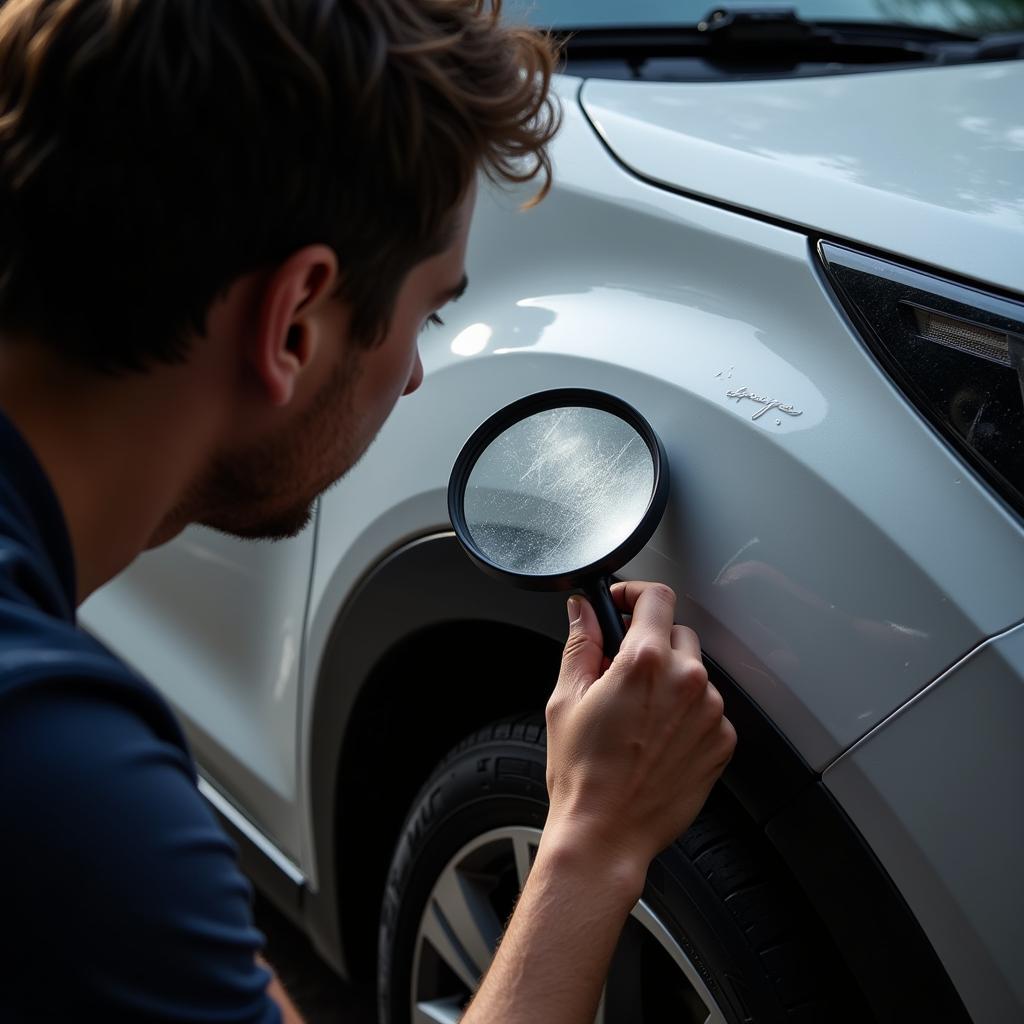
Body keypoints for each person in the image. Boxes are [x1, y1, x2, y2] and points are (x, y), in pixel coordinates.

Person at [0, 0, 736, 1020]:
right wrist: (591, 840)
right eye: (429, 311)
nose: (415, 377)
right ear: (295, 321)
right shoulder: (59, 772)